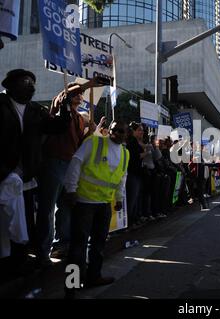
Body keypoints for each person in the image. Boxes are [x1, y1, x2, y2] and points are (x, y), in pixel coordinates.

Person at [0, 69, 71, 274]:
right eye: (25, 81)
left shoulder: (35, 110)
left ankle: (20, 261)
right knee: (4, 223)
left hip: (25, 177)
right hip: (3, 175)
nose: (30, 85)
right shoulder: (1, 105)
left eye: (32, 81)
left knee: (25, 223)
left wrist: (64, 108)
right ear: (11, 84)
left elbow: (56, 127)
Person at [36, 80, 101, 266]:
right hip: (54, 162)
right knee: (47, 209)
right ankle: (42, 252)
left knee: (65, 208)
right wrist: (89, 84)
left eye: (81, 94)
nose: (80, 96)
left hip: (69, 165)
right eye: (77, 93)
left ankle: (61, 245)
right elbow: (63, 97)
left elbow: (79, 145)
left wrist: (91, 132)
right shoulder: (59, 108)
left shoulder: (80, 119)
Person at [63, 120, 129, 298]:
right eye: (114, 130)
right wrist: (71, 189)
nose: (117, 133)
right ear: (110, 131)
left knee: (99, 244)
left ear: (126, 134)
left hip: (104, 204)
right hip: (84, 202)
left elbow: (122, 178)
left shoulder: (125, 153)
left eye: (122, 131)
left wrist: (119, 198)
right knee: (77, 245)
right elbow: (76, 162)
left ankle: (93, 276)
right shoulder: (94, 142)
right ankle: (71, 286)